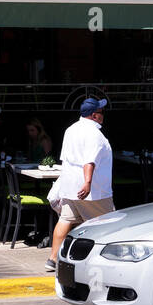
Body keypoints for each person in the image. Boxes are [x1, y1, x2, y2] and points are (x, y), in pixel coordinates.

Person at [47, 97, 113, 273]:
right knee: (109, 225)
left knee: (66, 220)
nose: (103, 115)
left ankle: (53, 259)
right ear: (94, 115)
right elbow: (89, 161)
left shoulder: (71, 130)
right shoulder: (94, 134)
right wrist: (88, 183)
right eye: (101, 112)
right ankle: (101, 262)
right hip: (92, 192)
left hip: (69, 187)